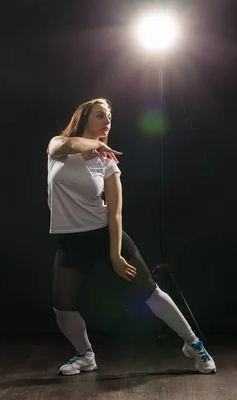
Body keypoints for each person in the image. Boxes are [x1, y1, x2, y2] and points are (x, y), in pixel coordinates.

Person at [46, 98, 216, 376]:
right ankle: (85, 355)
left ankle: (193, 344)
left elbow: (115, 214)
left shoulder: (108, 164)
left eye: (109, 116)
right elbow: (67, 144)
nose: (107, 120)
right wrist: (97, 144)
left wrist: (115, 254)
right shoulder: (58, 148)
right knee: (62, 306)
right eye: (100, 115)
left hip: (104, 235)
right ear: (84, 118)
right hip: (70, 241)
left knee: (150, 293)